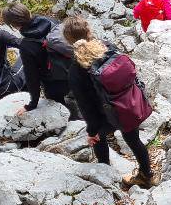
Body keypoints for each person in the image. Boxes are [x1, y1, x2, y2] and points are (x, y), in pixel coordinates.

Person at [62, 16, 157, 188]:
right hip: (128, 106)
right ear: (89, 31)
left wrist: (92, 131)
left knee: (98, 138)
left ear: (69, 41)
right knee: (134, 141)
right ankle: (147, 176)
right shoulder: (107, 46)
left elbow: (86, 106)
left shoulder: (76, 69)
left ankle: (106, 174)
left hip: (104, 115)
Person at [1, 3, 75, 115]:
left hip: (57, 84)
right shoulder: (51, 21)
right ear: (28, 12)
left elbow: (32, 77)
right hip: (77, 68)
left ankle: (67, 117)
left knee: (55, 98)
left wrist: (32, 104)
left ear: (14, 26)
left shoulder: (26, 45)